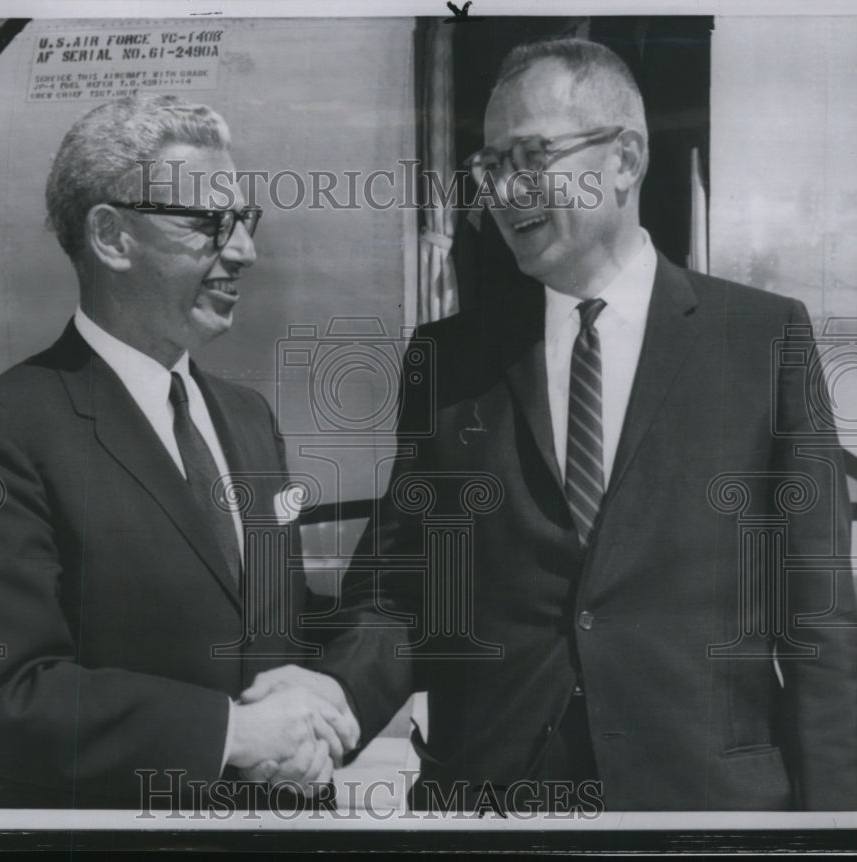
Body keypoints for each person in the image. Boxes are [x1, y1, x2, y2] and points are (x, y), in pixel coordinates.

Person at [260, 38, 857, 811]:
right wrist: (329, 702)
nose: (505, 189)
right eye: (490, 166)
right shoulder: (450, 360)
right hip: (497, 810)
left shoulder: (763, 339)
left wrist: (832, 827)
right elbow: (402, 598)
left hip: (704, 807)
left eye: (532, 155)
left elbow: (820, 622)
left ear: (626, 158)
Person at [0, 95, 357, 809]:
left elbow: (267, 620)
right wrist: (232, 736)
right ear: (111, 238)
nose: (244, 250)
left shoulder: (249, 420)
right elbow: (1, 697)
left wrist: (337, 679)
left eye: (245, 220)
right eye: (209, 223)